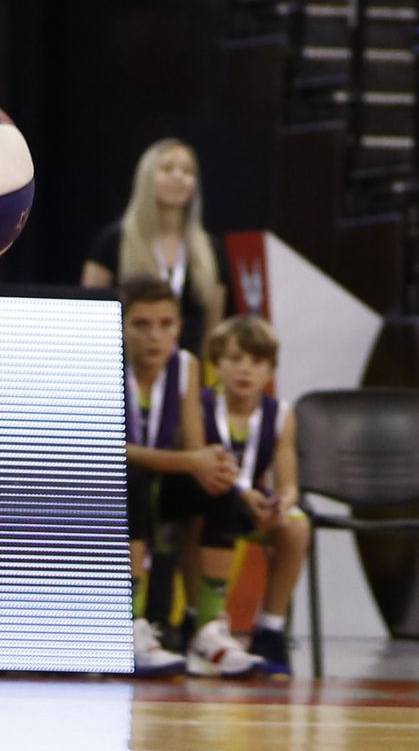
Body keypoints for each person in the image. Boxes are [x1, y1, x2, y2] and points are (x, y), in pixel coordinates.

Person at [122, 278, 245, 679]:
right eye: (141, 324)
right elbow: (108, 450)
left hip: (162, 481)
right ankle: (132, 626)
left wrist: (215, 465)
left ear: (179, 326)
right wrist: (193, 460)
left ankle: (207, 629)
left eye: (165, 324)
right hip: (114, 485)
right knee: (132, 478)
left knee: (217, 491)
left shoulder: (187, 365)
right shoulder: (100, 358)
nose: (155, 336)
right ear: (120, 325)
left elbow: (193, 447)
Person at [186, 315, 309, 680]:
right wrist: (243, 493)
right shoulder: (199, 405)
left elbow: (288, 483)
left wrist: (281, 503)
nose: (245, 370)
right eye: (236, 359)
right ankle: (199, 620)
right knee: (196, 516)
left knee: (297, 527)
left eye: (256, 362)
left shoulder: (280, 414)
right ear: (216, 364)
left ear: (270, 369)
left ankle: (270, 628)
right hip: (212, 497)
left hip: (255, 503)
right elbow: (196, 464)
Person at [82, 137, 228, 354]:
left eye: (187, 171)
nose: (178, 177)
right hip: (126, 368)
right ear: (146, 177)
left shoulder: (211, 249)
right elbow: (90, 316)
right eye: (167, 169)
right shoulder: (113, 241)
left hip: (188, 370)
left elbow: (213, 328)